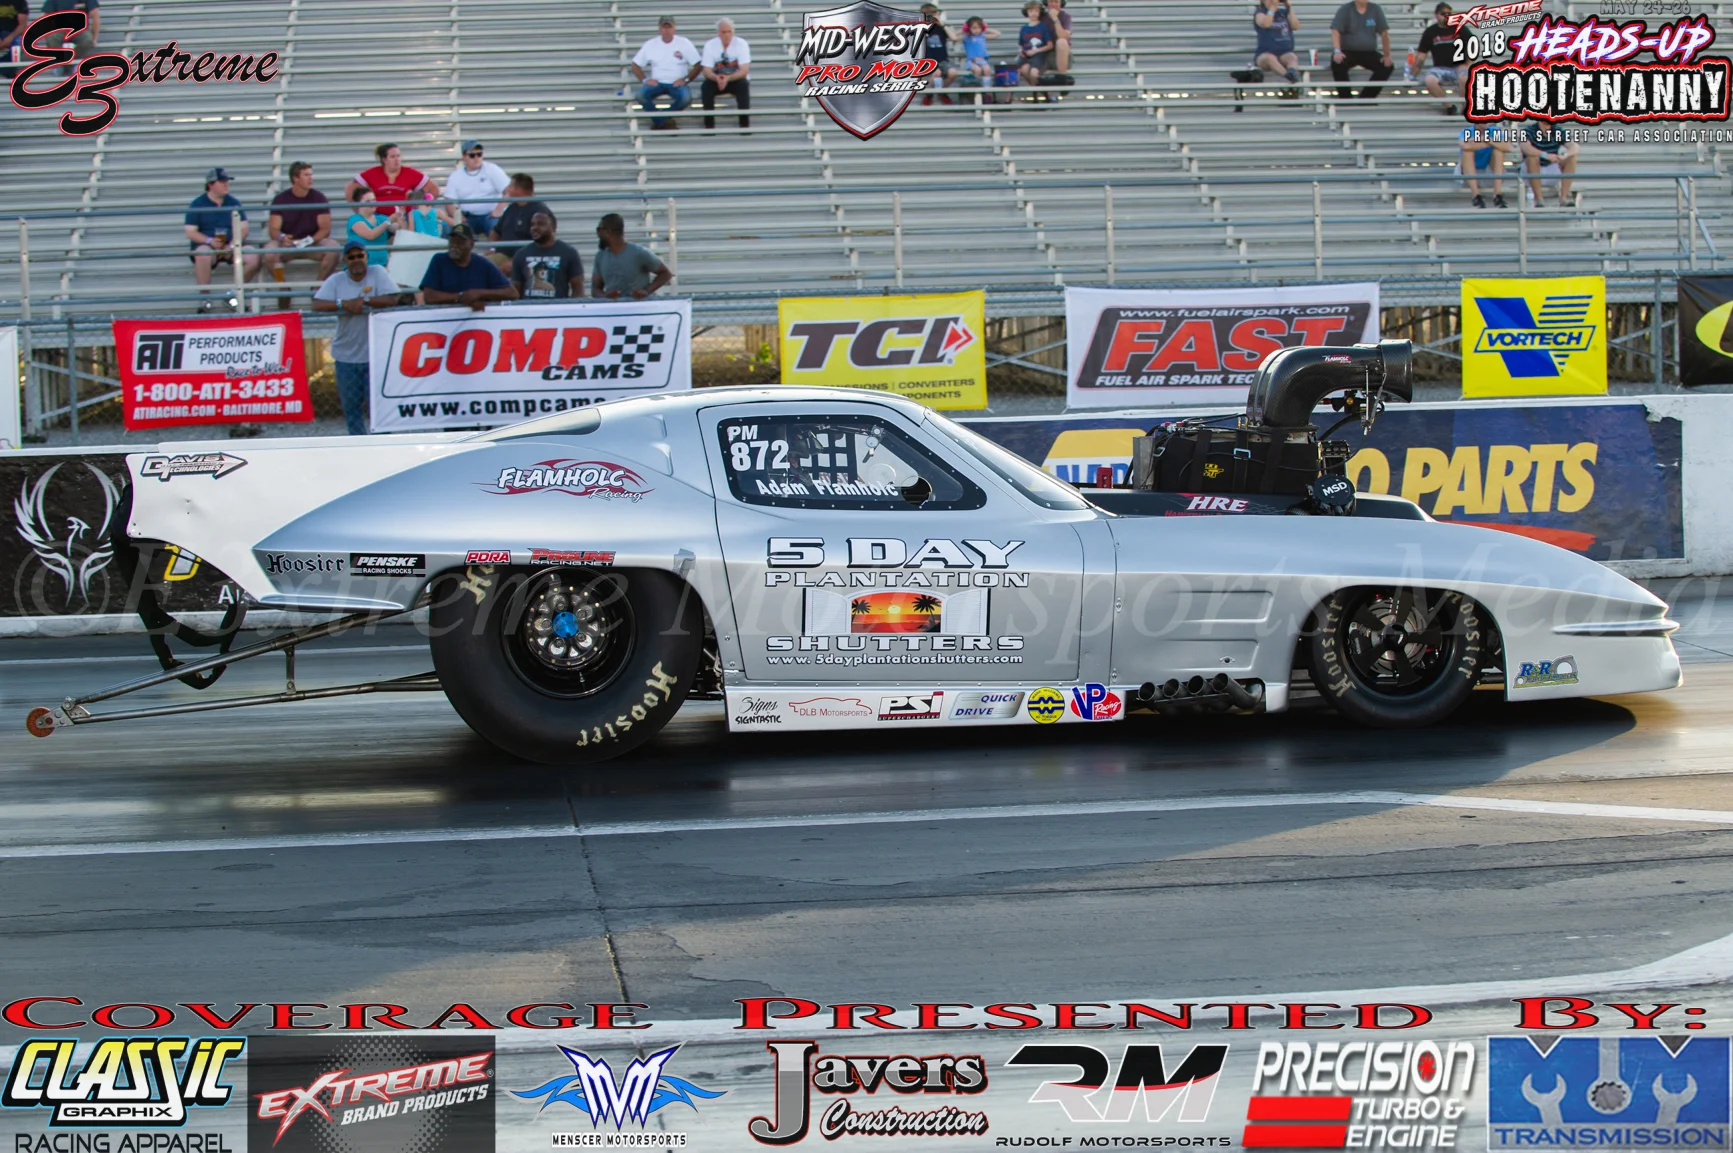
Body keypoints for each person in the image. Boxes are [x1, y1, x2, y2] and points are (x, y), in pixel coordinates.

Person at [311, 242, 403, 435]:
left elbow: (392, 299)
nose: (356, 260)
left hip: (376, 355)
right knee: (351, 410)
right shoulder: (337, 280)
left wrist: (364, 301)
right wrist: (342, 304)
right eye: (351, 257)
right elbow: (317, 304)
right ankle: (360, 444)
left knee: (378, 409)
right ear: (344, 260)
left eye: (360, 256)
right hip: (346, 355)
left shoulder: (377, 272)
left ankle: (382, 444)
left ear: (366, 257)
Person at [184, 167, 259, 310]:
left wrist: (233, 244)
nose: (226, 185)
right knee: (202, 253)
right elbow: (190, 232)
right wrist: (209, 241)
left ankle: (232, 295)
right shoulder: (198, 204)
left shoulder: (233, 203)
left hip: (231, 246)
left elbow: (244, 229)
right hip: (209, 247)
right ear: (210, 184)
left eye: (227, 181)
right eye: (222, 182)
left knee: (253, 255)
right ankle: (204, 298)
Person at [262, 161, 335, 307]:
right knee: (269, 251)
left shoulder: (319, 198)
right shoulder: (281, 199)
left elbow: (325, 229)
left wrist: (310, 240)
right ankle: (283, 288)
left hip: (312, 243)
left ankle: (317, 288)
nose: (310, 178)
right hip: (289, 244)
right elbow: (273, 229)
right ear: (295, 178)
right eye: (306, 175)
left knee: (333, 248)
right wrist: (282, 237)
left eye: (311, 175)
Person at [421, 224, 518, 311]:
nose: (454, 245)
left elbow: (512, 293)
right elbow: (429, 297)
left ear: (471, 244)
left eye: (460, 242)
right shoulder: (439, 260)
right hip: (444, 317)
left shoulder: (483, 264)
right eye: (452, 241)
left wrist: (479, 294)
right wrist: (461, 297)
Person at [632, 16, 700, 130]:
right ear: (659, 29)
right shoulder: (651, 44)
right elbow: (635, 65)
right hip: (657, 83)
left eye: (669, 27)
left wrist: (686, 79)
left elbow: (698, 64)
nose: (667, 30)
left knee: (686, 98)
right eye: (664, 27)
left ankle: (659, 120)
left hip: (677, 83)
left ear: (674, 28)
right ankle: (666, 122)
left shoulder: (684, 43)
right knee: (640, 95)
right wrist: (645, 79)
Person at [344, 143, 438, 218]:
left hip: (404, 217)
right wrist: (360, 211)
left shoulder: (410, 173)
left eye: (398, 156)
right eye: (393, 157)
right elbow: (350, 189)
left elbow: (433, 189)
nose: (397, 160)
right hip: (378, 218)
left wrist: (422, 209)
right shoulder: (372, 173)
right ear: (384, 159)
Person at [592, 213, 672, 300]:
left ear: (608, 232)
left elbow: (665, 274)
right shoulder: (600, 256)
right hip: (613, 307)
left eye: (599, 230)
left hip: (639, 307)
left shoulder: (639, 253)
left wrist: (646, 291)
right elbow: (595, 289)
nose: (597, 234)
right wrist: (606, 297)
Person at [444, 139, 510, 237]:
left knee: (497, 228)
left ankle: (497, 247)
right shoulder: (455, 176)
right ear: (464, 156)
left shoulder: (492, 169)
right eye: (472, 155)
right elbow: (449, 200)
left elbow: (509, 191)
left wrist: (499, 210)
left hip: (490, 216)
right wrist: (458, 216)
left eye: (479, 154)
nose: (476, 158)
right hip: (467, 217)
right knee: (448, 227)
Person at [510, 211, 584, 299]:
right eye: (532, 224)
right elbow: (515, 290)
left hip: (557, 307)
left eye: (540, 224)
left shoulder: (569, 253)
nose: (534, 228)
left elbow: (578, 289)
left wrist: (571, 307)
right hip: (529, 307)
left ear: (553, 227)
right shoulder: (521, 255)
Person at [1329, 0, 1393, 100]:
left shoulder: (1375, 9)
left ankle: (1366, 98)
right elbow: (1335, 31)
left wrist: (1387, 55)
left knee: (1387, 66)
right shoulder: (1345, 9)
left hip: (1369, 52)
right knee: (1337, 62)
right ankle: (1346, 99)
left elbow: (1384, 33)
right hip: (1348, 51)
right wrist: (1337, 51)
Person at [487, 174, 552, 269]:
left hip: (525, 259)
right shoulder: (511, 208)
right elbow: (496, 231)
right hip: (503, 254)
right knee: (480, 264)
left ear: (519, 190)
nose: (507, 189)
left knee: (492, 268)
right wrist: (492, 249)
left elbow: (543, 243)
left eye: (510, 186)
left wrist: (515, 261)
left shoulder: (540, 212)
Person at [700, 17, 752, 130]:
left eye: (729, 32)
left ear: (733, 32)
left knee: (743, 85)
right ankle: (709, 126)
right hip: (716, 79)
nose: (727, 35)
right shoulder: (710, 45)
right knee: (706, 87)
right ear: (718, 33)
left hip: (735, 79)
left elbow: (744, 70)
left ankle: (744, 126)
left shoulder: (741, 44)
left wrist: (728, 78)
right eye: (723, 32)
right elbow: (707, 71)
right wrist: (717, 78)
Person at [1520, 122, 1580, 208]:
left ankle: (1563, 198)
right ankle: (1539, 200)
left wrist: (1565, 155)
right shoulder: (1529, 130)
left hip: (1551, 168)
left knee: (1571, 158)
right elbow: (1525, 147)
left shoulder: (1557, 130)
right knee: (1532, 158)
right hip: (1530, 172)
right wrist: (1545, 155)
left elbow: (1575, 146)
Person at [1418, 3, 1460, 105]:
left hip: (1458, 67)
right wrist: (1412, 75)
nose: (1447, 16)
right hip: (1439, 68)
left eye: (1449, 13)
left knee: (1465, 78)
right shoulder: (1430, 32)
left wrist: (1467, 65)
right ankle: (1449, 106)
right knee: (1429, 80)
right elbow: (1421, 55)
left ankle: (1465, 108)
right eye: (1443, 13)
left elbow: (1472, 47)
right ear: (1436, 15)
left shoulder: (1459, 28)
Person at [344, 188, 396, 267]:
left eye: (374, 200)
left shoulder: (381, 218)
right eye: (368, 201)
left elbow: (396, 229)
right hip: (361, 266)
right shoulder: (354, 219)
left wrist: (400, 216)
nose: (372, 203)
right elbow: (371, 235)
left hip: (383, 265)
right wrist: (388, 222)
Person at [1460, 125, 1508, 209]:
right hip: (1467, 170)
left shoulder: (1495, 131)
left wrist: (1484, 139)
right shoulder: (1467, 131)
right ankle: (1476, 196)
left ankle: (1497, 194)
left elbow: (1508, 147)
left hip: (1489, 168)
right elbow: (1465, 146)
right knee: (1467, 152)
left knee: (1498, 152)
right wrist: (1492, 143)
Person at [41, 0, 95, 75]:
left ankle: (74, 61)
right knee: (52, 38)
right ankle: (60, 62)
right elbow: (45, 17)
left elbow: (95, 15)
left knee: (87, 39)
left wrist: (95, 38)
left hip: (80, 29)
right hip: (59, 29)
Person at [1254, 0, 1301, 85]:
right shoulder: (1260, 13)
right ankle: (1288, 76)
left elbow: (1295, 26)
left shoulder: (1283, 13)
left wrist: (1288, 7)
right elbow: (1266, 24)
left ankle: (1292, 71)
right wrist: (1273, 7)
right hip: (1265, 53)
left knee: (1292, 57)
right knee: (1270, 58)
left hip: (1284, 52)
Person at [919, 4, 958, 104]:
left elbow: (954, 38)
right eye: (927, 14)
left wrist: (942, 24)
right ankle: (929, 95)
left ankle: (942, 91)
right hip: (928, 61)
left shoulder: (941, 28)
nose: (930, 16)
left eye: (933, 13)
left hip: (942, 60)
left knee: (953, 72)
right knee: (937, 73)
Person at [1017, 1, 1054, 88]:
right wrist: (1021, 51)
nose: (1033, 13)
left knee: (1033, 74)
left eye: (1036, 11)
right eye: (1031, 11)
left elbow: (1050, 45)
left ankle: (1038, 91)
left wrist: (1035, 51)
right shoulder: (1024, 28)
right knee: (1024, 70)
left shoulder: (1043, 26)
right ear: (1026, 12)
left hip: (1039, 55)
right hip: (1026, 55)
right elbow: (1021, 44)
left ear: (1040, 12)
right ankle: (1038, 91)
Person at [960, 16, 999, 83]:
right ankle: (977, 87)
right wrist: (964, 29)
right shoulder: (967, 37)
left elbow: (997, 34)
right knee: (977, 70)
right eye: (974, 28)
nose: (977, 30)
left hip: (982, 60)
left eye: (979, 27)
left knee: (987, 69)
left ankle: (986, 88)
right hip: (972, 61)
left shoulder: (982, 36)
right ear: (968, 28)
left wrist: (985, 29)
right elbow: (953, 37)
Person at [0, 1, 30, 79]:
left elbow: (22, 25)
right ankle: (7, 71)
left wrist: (10, 38)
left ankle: (5, 69)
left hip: (14, 33)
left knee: (21, 44)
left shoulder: (20, 2)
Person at [1042, 0, 1071, 75]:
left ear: (1061, 3)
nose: (1053, 4)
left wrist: (1055, 18)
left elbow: (1063, 36)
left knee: (1061, 42)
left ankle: (1062, 77)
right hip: (1043, 53)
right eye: (1051, 2)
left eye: (1056, 2)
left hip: (1061, 54)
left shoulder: (1065, 17)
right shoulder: (1041, 16)